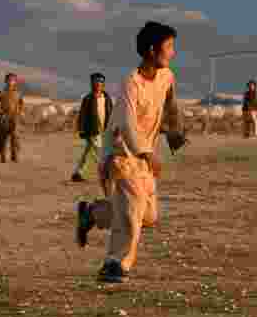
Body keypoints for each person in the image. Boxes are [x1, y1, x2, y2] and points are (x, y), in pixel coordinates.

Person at [73, 21, 188, 283]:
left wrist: (175, 132)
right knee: (131, 211)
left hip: (143, 155)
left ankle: (92, 213)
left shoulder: (167, 76)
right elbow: (126, 123)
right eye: (169, 47)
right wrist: (146, 153)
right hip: (122, 153)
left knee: (147, 216)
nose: (173, 52)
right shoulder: (131, 83)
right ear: (151, 50)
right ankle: (115, 264)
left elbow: (170, 104)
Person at [71, 73, 114, 184]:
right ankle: (105, 173)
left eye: (100, 82)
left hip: (105, 129)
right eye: (96, 82)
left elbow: (112, 113)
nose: (98, 85)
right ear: (92, 84)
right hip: (92, 129)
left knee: (89, 152)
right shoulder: (88, 99)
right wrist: (81, 128)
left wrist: (113, 126)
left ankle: (78, 173)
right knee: (98, 151)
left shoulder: (107, 98)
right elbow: (83, 115)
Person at [0, 73, 24, 163]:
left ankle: (14, 156)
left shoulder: (18, 94)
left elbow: (21, 103)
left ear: (15, 82)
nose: (10, 82)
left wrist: (19, 112)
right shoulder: (1, 93)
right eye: (9, 80)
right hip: (4, 117)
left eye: (12, 80)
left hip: (14, 118)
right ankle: (2, 156)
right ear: (5, 81)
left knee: (15, 137)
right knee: (2, 138)